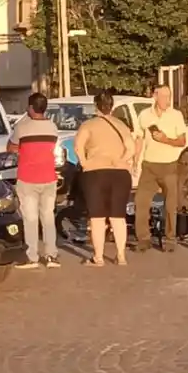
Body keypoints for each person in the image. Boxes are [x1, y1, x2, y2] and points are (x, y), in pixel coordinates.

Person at [73, 92, 133, 266]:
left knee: (97, 217)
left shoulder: (88, 125)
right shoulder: (121, 125)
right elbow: (131, 148)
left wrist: (85, 163)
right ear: (112, 107)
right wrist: (121, 160)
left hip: (95, 172)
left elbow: (78, 147)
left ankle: (98, 257)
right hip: (120, 173)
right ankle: (121, 256)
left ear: (95, 106)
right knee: (118, 216)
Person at [6, 92, 60, 269]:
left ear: (30, 108)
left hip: (28, 178)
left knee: (30, 218)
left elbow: (11, 147)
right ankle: (51, 255)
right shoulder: (52, 126)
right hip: (49, 177)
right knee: (48, 217)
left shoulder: (22, 127)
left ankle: (32, 256)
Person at [132, 84, 188, 252]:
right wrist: (135, 160)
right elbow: (139, 138)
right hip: (149, 165)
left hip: (169, 164)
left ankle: (170, 239)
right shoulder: (144, 115)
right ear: (155, 96)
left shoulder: (176, 115)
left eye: (169, 97)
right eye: (164, 96)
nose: (167, 100)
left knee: (170, 204)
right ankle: (143, 238)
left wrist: (165, 140)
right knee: (140, 202)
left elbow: (182, 141)